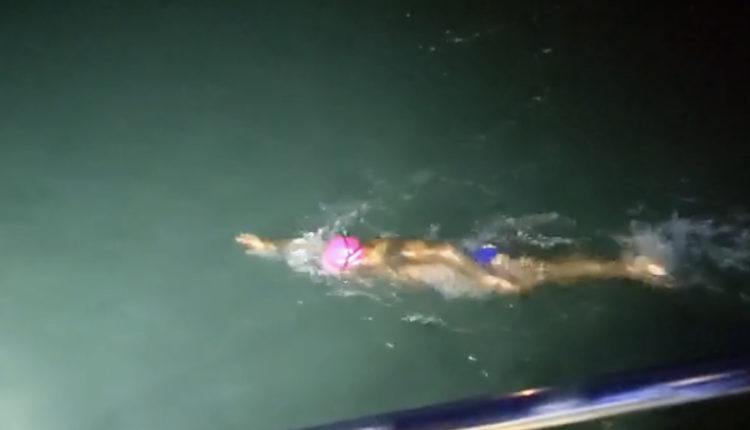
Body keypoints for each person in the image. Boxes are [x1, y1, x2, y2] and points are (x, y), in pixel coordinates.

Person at [235, 230, 671, 296]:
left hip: (472, 266)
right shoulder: (364, 250)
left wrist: (489, 281)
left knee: (542, 274)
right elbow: (310, 248)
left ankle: (629, 268)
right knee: (540, 268)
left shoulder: (390, 254)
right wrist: (268, 245)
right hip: (473, 259)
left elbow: (444, 252)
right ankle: (623, 264)